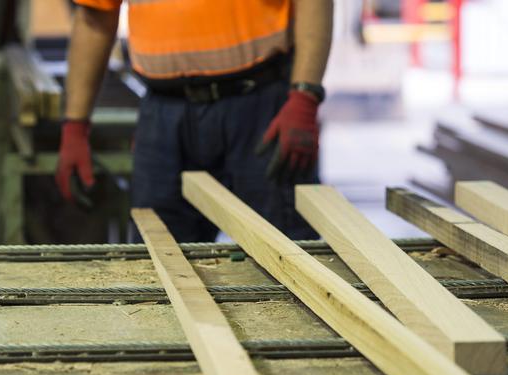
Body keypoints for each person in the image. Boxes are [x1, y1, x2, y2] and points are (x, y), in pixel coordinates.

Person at [57, 0, 334, 242]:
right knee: (159, 261)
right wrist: (75, 126)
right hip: (163, 115)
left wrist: (304, 97)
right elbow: (94, 19)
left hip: (260, 108)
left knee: (288, 257)